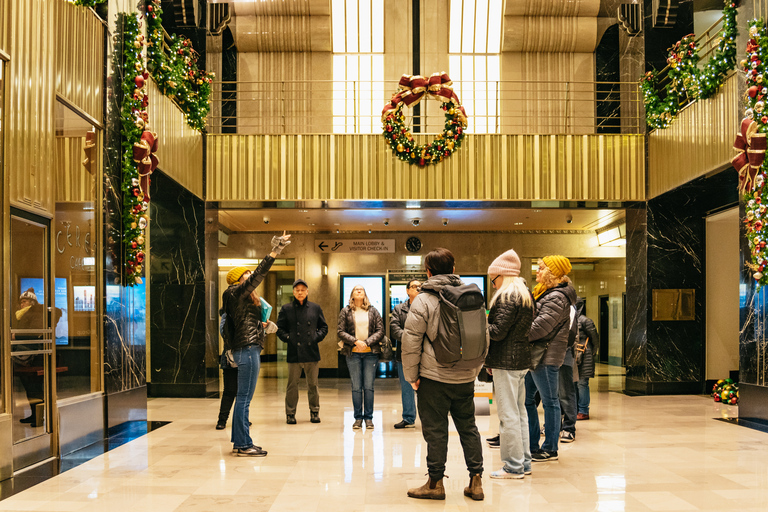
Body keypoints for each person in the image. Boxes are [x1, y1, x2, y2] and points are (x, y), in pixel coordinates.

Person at [402, 248, 488, 501]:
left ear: (428, 272)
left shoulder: (423, 300)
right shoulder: (472, 296)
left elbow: (411, 342)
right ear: (453, 269)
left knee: (436, 431)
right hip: (465, 378)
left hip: (433, 378)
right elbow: (486, 335)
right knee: (469, 427)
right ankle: (476, 481)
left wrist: (411, 377)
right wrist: (474, 369)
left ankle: (435, 483)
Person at [223, 232, 291, 456]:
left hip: (248, 347)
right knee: (244, 398)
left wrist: (263, 325)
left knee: (243, 398)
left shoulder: (240, 298)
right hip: (248, 349)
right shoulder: (234, 291)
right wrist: (274, 252)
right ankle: (244, 445)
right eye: (247, 274)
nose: (251, 276)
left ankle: (239, 440)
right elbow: (259, 275)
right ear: (239, 279)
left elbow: (241, 323)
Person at [485, 249, 535, 479]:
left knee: (508, 416)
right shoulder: (525, 295)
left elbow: (497, 332)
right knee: (520, 413)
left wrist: (480, 325)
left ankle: (513, 466)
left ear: (502, 276)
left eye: (493, 279)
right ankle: (524, 462)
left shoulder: (506, 297)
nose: (492, 284)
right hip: (520, 361)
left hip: (506, 362)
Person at [525, 255, 576, 462]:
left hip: (545, 357)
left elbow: (540, 328)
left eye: (541, 268)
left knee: (550, 402)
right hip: (537, 356)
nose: (537, 271)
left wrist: (517, 332)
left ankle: (550, 448)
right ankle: (531, 443)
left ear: (552, 273)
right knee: (526, 400)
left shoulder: (557, 297)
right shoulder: (548, 294)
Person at [215, 291, 274, 430]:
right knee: (230, 390)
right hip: (231, 355)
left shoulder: (251, 312)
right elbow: (224, 332)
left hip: (247, 354)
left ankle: (242, 420)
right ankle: (222, 420)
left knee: (244, 392)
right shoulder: (227, 314)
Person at [277, 279, 328, 424]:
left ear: (307, 291)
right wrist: (289, 338)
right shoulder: (286, 308)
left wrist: (315, 337)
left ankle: (314, 411)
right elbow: (279, 329)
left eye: (302, 290)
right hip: (294, 351)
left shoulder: (315, 308)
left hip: (311, 351)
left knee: (313, 384)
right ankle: (290, 413)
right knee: (292, 385)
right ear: (293, 292)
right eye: (297, 290)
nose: (300, 292)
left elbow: (324, 327)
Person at [337, 285, 384, 429]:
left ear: (365, 294)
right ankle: (358, 418)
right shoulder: (345, 311)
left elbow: (380, 330)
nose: (359, 291)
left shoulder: (373, 311)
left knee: (368, 387)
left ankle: (369, 418)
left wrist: (366, 342)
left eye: (361, 289)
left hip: (370, 353)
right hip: (353, 354)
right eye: (356, 289)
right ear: (352, 294)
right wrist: (356, 341)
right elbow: (340, 331)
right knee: (356, 387)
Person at [389, 279, 420, 429]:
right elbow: (394, 329)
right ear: (407, 291)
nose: (417, 288)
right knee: (407, 387)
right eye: (414, 286)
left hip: (424, 354)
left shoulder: (426, 307)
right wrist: (410, 339)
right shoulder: (399, 309)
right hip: (404, 354)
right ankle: (408, 418)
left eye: (420, 286)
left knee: (425, 388)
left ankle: (428, 419)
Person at [574, 297, 599, 420]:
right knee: (575, 384)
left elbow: (595, 339)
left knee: (582, 383)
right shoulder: (570, 319)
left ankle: (583, 410)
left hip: (584, 357)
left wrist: (591, 353)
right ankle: (577, 409)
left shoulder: (585, 321)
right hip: (575, 356)